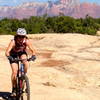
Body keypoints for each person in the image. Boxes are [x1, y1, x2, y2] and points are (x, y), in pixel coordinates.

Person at [5, 28, 36, 96]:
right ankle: (14, 89)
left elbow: (33, 50)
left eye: (23, 36)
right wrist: (9, 57)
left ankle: (23, 77)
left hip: (22, 53)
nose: (21, 38)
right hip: (13, 55)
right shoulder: (13, 41)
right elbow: (7, 52)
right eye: (19, 36)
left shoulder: (26, 41)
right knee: (14, 72)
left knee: (26, 63)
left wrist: (33, 55)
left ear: (25, 36)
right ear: (17, 36)